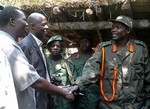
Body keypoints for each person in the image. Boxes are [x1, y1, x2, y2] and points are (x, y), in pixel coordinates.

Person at [0, 6, 74, 109]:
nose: (26, 24)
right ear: (12, 21)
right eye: (23, 20)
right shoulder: (10, 45)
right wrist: (62, 92)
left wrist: (55, 88)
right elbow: (31, 79)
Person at [69, 15, 150, 109]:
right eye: (113, 27)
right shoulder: (103, 49)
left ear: (128, 30)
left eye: (118, 27)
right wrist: (78, 85)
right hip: (109, 106)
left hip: (135, 105)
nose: (113, 30)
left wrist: (148, 104)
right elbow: (91, 70)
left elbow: (148, 78)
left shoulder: (140, 49)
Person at [20, 12, 53, 109]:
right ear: (32, 26)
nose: (47, 27)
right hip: (35, 100)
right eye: (43, 24)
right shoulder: (26, 46)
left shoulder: (38, 45)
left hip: (44, 98)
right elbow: (27, 79)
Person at [69, 36, 100, 109]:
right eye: (82, 42)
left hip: (93, 91)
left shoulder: (96, 56)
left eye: (87, 42)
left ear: (91, 43)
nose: (84, 44)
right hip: (77, 91)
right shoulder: (73, 57)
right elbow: (70, 73)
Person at [46, 35, 75, 109]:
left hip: (64, 100)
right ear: (49, 48)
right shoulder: (44, 63)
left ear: (61, 48)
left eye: (58, 46)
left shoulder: (68, 64)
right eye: (53, 46)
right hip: (49, 98)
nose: (55, 48)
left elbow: (75, 82)